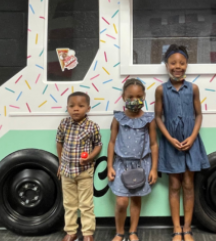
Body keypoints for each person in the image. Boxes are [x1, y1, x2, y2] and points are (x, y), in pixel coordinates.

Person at [155, 45, 210, 241]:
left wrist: (193, 137)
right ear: (167, 65)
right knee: (174, 186)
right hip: (171, 145)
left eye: (181, 63)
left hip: (191, 143)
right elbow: (158, 117)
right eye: (173, 63)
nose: (177, 66)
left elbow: (198, 115)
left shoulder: (193, 88)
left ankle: (187, 228)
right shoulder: (161, 90)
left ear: (186, 65)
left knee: (189, 185)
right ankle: (176, 228)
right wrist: (169, 139)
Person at [107, 78, 158, 241]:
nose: (134, 100)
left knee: (136, 200)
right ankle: (119, 232)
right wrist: (109, 166)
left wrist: (154, 169)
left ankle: (133, 231)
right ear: (123, 97)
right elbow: (112, 142)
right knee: (122, 201)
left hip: (142, 164)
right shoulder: (118, 118)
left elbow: (154, 144)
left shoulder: (149, 119)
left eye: (138, 96)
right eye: (130, 97)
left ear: (144, 97)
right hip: (121, 164)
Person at [56, 92, 103, 241]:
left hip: (84, 172)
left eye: (80, 106)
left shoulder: (92, 126)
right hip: (66, 171)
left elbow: (98, 145)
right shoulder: (64, 124)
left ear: (88, 108)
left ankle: (88, 233)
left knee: (86, 204)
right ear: (67, 108)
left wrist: (91, 157)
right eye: (72, 106)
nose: (76, 109)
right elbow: (59, 143)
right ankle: (71, 231)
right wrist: (60, 163)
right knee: (69, 203)